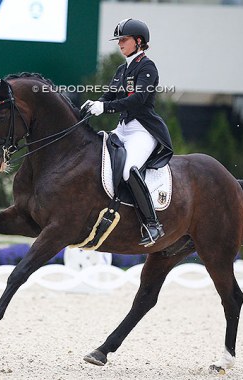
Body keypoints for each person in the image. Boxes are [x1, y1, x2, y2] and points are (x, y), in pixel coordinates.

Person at [81, 18, 173, 247]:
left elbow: (138, 100)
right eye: (119, 40)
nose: (119, 44)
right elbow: (110, 95)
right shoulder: (123, 69)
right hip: (123, 128)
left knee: (127, 170)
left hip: (143, 129)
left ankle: (152, 224)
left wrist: (106, 108)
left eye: (124, 39)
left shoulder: (147, 67)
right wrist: (94, 105)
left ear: (138, 41)